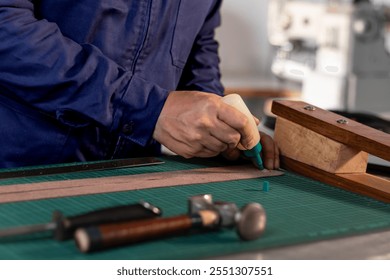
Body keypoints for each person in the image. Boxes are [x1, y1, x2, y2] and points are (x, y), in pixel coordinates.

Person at [0, 0, 279, 169]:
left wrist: (218, 126)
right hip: (22, 169)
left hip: (135, 173)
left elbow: (197, 44)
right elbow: (7, 28)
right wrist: (148, 109)